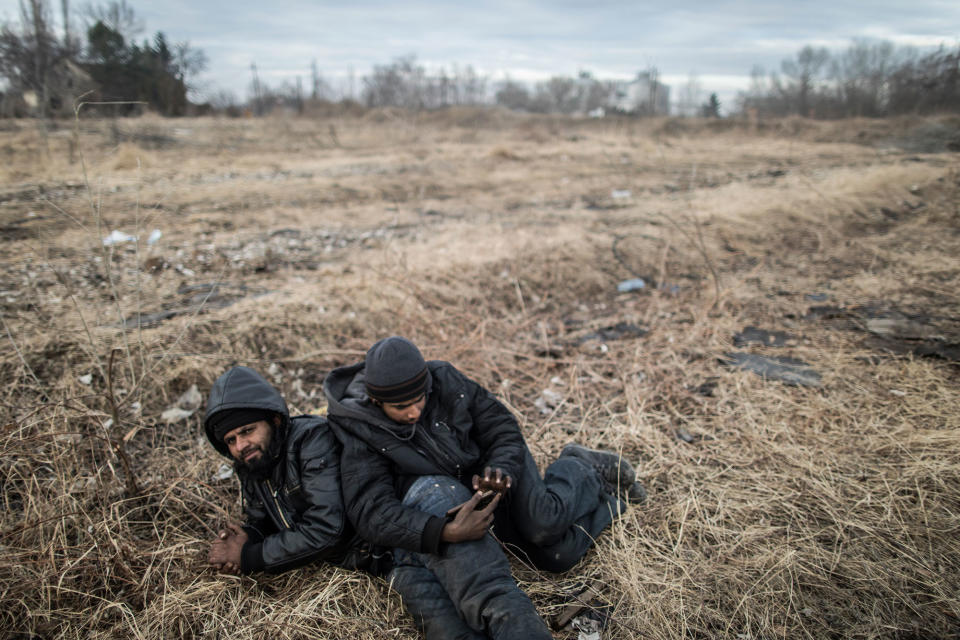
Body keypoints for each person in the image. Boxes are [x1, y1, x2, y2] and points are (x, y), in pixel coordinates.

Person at [323, 336, 645, 639]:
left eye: (418, 399)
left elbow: (501, 426)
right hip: (463, 503)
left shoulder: (445, 379)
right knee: (559, 557)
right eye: (400, 407)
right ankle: (611, 499)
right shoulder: (361, 428)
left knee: (543, 525)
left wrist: (500, 470)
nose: (414, 412)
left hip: (497, 474)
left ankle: (578, 467)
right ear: (377, 401)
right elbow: (371, 510)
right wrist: (443, 532)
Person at [203, 365, 387, 576]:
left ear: (275, 420)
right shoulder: (253, 462)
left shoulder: (311, 441)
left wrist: (251, 557)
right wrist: (246, 538)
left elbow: (328, 528)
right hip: (339, 567)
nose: (240, 445)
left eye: (247, 431)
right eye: (231, 440)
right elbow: (263, 519)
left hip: (375, 557)